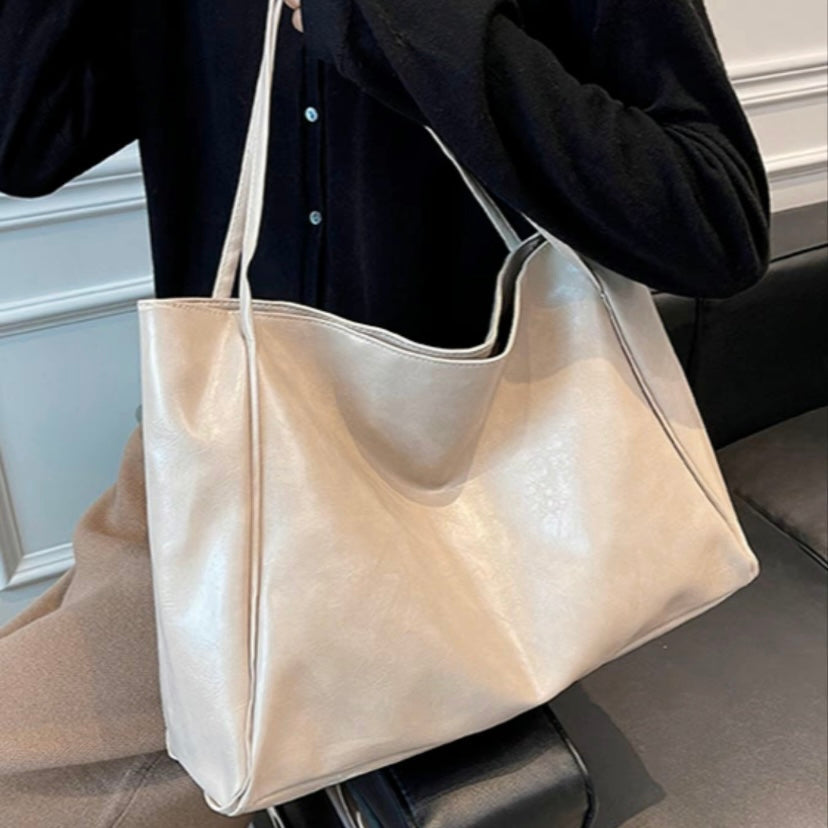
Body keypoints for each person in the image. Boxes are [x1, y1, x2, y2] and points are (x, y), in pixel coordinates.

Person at [0, 0, 770, 825]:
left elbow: (715, 220)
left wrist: (398, 23)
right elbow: (27, 140)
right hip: (220, 475)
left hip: (467, 490)